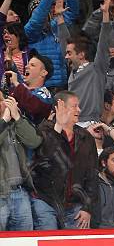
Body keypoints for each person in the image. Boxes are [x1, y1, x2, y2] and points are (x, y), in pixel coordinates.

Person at [30, 91, 98, 230]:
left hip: (75, 204)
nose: (79, 110)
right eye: (74, 106)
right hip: (45, 201)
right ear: (59, 108)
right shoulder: (43, 131)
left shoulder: (85, 137)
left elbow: (92, 174)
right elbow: (45, 158)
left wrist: (87, 208)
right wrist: (58, 128)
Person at [65, 0, 112, 124]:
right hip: (72, 123)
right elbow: (64, 40)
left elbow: (103, 44)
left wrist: (106, 15)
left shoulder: (96, 69)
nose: (66, 56)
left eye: (69, 53)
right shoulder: (72, 72)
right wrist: (59, 18)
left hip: (90, 124)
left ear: (81, 55)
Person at [24, 0, 79, 89]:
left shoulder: (55, 26)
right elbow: (37, 19)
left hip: (61, 86)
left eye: (46, 12)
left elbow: (72, 13)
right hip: (40, 87)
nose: (42, 16)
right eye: (36, 13)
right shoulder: (30, 32)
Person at [0, 96, 42, 231]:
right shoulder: (6, 123)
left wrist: (17, 117)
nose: (4, 103)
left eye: (3, 99)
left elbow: (34, 141)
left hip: (19, 192)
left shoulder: (15, 124)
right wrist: (4, 121)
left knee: (24, 244)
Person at [5, 51, 54, 125]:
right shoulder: (23, 87)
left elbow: (33, 106)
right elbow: (17, 75)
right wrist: (9, 61)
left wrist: (17, 84)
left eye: (32, 65)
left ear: (43, 73)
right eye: (28, 64)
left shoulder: (45, 94)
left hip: (33, 134)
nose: (26, 66)